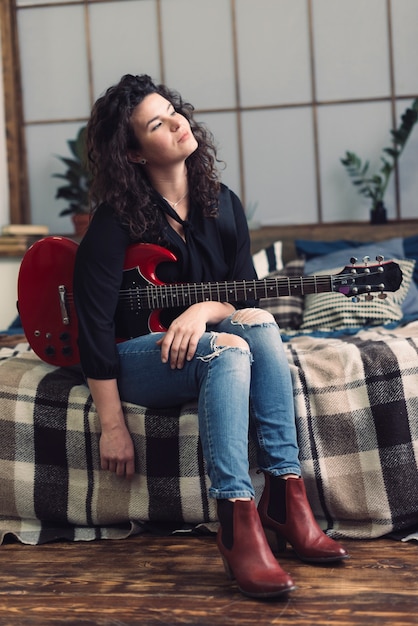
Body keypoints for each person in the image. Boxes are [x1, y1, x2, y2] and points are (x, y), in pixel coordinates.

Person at [73, 73, 348, 599]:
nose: (178, 122)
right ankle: (236, 519)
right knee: (229, 350)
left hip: (198, 346)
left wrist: (202, 309)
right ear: (133, 154)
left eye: (173, 110)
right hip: (133, 359)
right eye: (158, 123)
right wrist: (112, 425)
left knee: (259, 325)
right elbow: (93, 326)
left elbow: (245, 297)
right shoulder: (113, 222)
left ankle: (287, 499)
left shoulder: (221, 204)